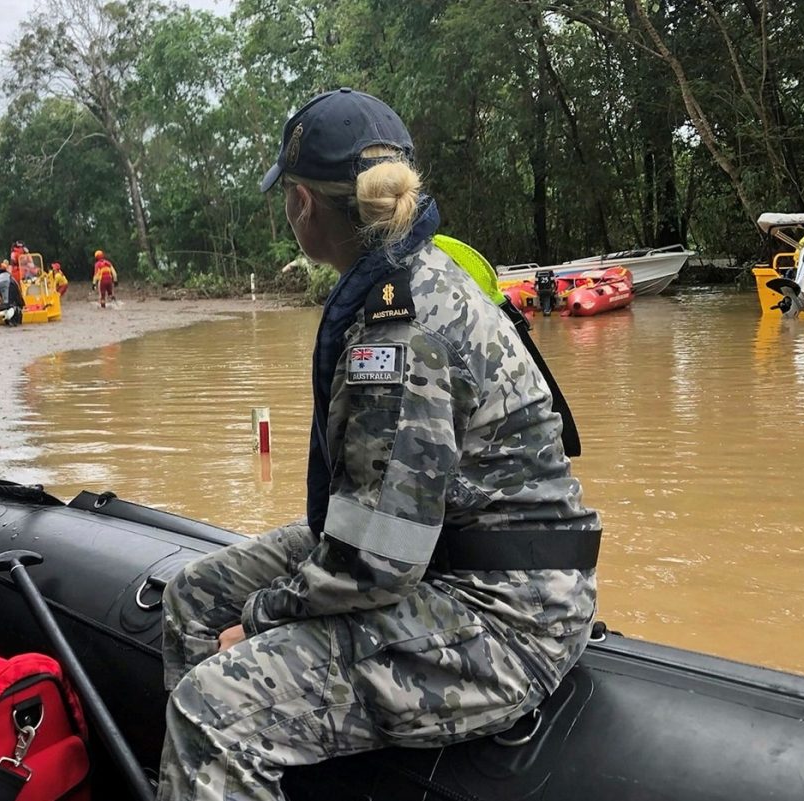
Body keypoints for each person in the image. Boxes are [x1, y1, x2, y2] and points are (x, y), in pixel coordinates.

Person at [155, 88, 601, 801]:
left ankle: (218, 754)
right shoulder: (404, 281)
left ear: (302, 204)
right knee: (191, 594)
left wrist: (258, 621)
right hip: (437, 554)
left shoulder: (399, 331)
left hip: (506, 612)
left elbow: (375, 564)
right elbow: (376, 531)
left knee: (214, 706)